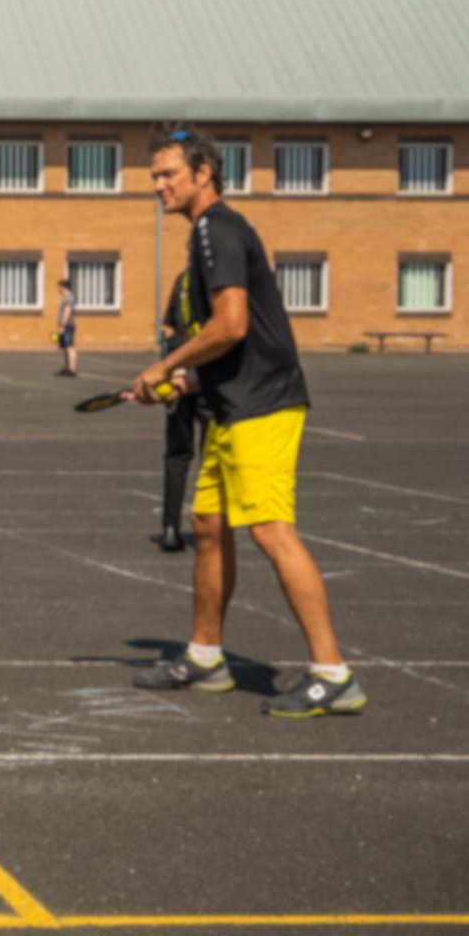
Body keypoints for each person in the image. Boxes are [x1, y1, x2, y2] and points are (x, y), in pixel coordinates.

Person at [128, 124, 365, 718]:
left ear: (203, 173)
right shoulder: (206, 235)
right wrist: (184, 380)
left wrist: (165, 362)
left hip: (264, 405)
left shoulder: (217, 229)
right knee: (209, 524)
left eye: (167, 175)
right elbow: (239, 341)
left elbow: (231, 325)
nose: (158, 186)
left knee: (271, 530)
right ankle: (206, 658)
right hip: (233, 403)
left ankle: (333, 673)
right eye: (154, 176)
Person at [153, 266, 204, 553]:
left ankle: (170, 528)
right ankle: (214, 526)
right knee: (214, 456)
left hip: (180, 369)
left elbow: (171, 327)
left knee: (177, 454)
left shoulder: (183, 279)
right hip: (212, 374)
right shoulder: (222, 280)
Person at [55, 274, 79, 377]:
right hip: (65, 325)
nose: (58, 289)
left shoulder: (69, 297)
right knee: (65, 347)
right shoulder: (66, 297)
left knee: (69, 346)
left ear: (64, 287)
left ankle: (72, 369)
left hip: (67, 325)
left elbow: (67, 311)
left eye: (59, 287)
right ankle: (67, 367)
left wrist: (62, 325)